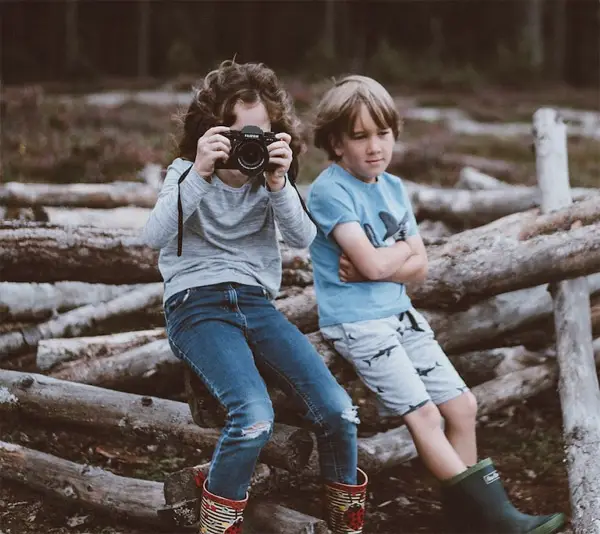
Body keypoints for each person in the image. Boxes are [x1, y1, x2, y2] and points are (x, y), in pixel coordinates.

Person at [306, 74, 566, 534]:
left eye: (382, 134)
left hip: (399, 313)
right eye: (360, 136)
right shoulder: (330, 191)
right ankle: (496, 517)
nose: (374, 147)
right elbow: (373, 262)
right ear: (335, 142)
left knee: (462, 405)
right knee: (424, 415)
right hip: (359, 323)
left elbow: (416, 268)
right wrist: (396, 255)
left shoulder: (393, 187)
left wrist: (393, 260)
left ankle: (469, 520)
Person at [141, 60, 367, 534]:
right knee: (252, 417)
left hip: (256, 304)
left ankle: (346, 526)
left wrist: (280, 183)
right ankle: (218, 526)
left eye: (258, 135)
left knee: (340, 411)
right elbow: (154, 235)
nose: (247, 145)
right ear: (209, 130)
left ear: (274, 135)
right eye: (234, 132)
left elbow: (304, 237)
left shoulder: (271, 182)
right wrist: (200, 173)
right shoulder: (185, 171)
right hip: (195, 306)